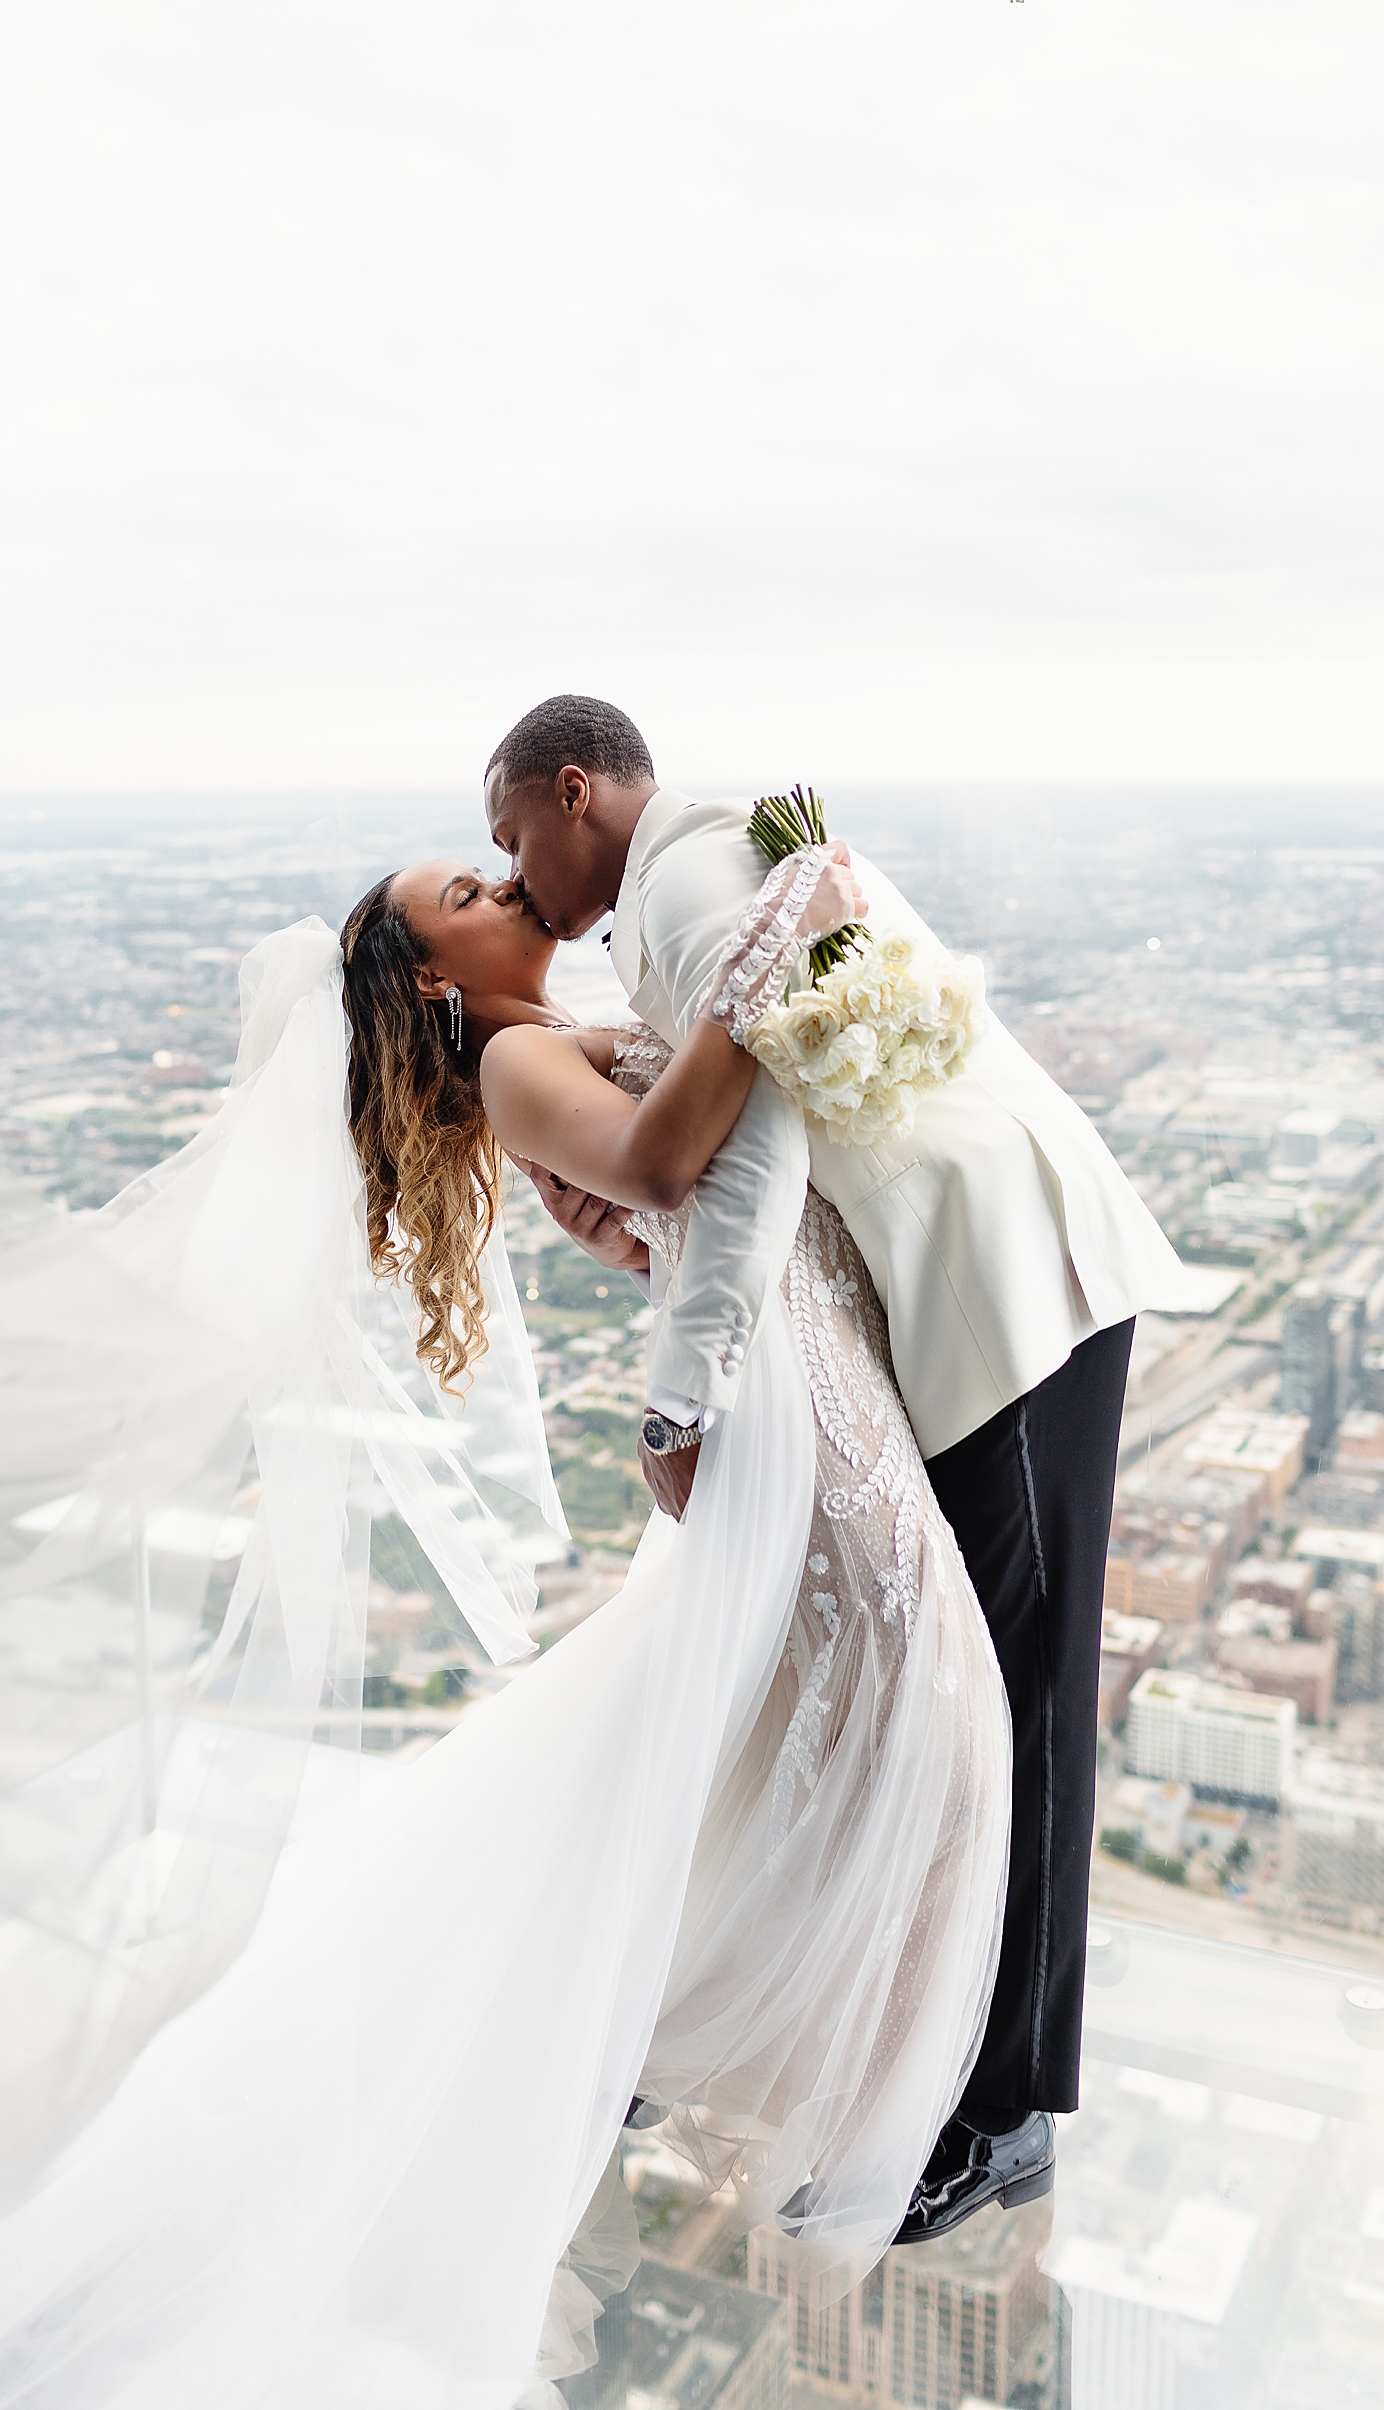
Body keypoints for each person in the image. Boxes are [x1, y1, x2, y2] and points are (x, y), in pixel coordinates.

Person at [0, 843, 1009, 2406]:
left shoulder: (555, 1037)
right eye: (466, 898)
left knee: (760, 1718)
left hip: (792, 1366)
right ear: (432, 976)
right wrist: (779, 951)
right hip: (773, 1402)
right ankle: (868, 2100)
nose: (501, 887)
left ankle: (685, 2023)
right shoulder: (518, 1058)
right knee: (924, 1729)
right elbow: (675, 1160)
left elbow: (659, 1198)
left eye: (491, 872)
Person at [485, 693, 1191, 2243]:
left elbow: (747, 1178)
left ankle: (1000, 2112)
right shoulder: (720, 857)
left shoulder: (680, 885)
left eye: (511, 836)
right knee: (990, 1690)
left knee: (1018, 1696)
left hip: (1003, 1287)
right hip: (991, 1278)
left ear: (576, 789)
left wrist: (678, 1398)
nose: (516, 873)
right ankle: (938, 2075)